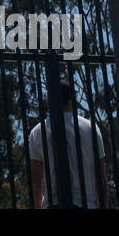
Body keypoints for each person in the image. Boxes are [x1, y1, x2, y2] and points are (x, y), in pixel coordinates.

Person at [27, 78, 107, 208]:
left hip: (53, 204)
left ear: (49, 101)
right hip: (85, 203)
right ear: (71, 99)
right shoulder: (90, 128)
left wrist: (38, 205)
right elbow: (101, 176)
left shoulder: (37, 132)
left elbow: (36, 180)